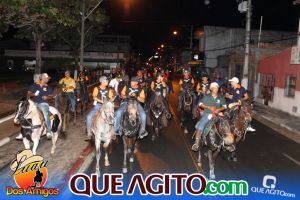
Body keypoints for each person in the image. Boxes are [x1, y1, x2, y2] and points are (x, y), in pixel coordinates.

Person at [192, 82, 227, 151]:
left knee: (226, 125)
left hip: (218, 114)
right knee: (200, 126)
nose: (216, 89)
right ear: (211, 89)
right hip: (208, 114)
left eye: (217, 88)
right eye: (214, 88)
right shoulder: (207, 96)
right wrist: (208, 107)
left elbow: (225, 106)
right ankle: (196, 143)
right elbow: (200, 104)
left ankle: (227, 142)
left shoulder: (221, 97)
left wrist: (219, 109)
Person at [85, 76, 114, 140]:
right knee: (89, 117)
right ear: (102, 82)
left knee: (112, 116)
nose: (107, 82)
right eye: (106, 81)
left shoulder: (108, 90)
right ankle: (89, 131)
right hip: (98, 105)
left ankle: (112, 131)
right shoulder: (96, 88)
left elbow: (111, 98)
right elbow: (94, 97)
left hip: (106, 106)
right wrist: (102, 101)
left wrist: (110, 101)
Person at [27, 73, 53, 139]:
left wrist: (47, 97)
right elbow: (29, 93)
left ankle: (49, 131)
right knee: (26, 112)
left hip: (43, 103)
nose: (48, 80)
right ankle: (24, 130)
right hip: (34, 103)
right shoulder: (34, 85)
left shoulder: (48, 87)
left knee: (45, 114)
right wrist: (33, 94)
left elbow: (51, 96)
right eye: (47, 79)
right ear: (43, 78)